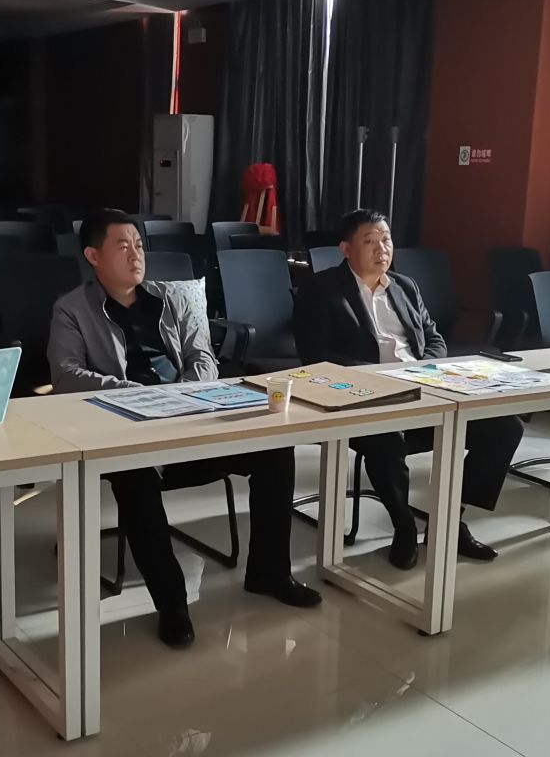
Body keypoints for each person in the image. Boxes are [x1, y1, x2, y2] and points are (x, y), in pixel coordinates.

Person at [47, 208, 321, 648]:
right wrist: (135, 393)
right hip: (127, 429)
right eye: (123, 246)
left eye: (139, 245)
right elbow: (66, 377)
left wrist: (185, 394)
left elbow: (203, 357)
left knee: (275, 448)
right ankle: (172, 602)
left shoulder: (171, 298)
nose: (136, 255)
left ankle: (269, 573)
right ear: (93, 256)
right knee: (134, 478)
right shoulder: (72, 309)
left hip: (191, 419)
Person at [293, 209, 524, 568]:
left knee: (505, 427)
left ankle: (449, 520)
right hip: (366, 399)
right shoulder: (320, 290)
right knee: (385, 441)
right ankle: (403, 525)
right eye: (370, 241)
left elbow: (434, 338)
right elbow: (317, 356)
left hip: (421, 388)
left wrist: (422, 370)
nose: (381, 249)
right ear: (346, 249)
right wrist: (382, 378)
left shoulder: (404, 286)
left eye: (386, 240)